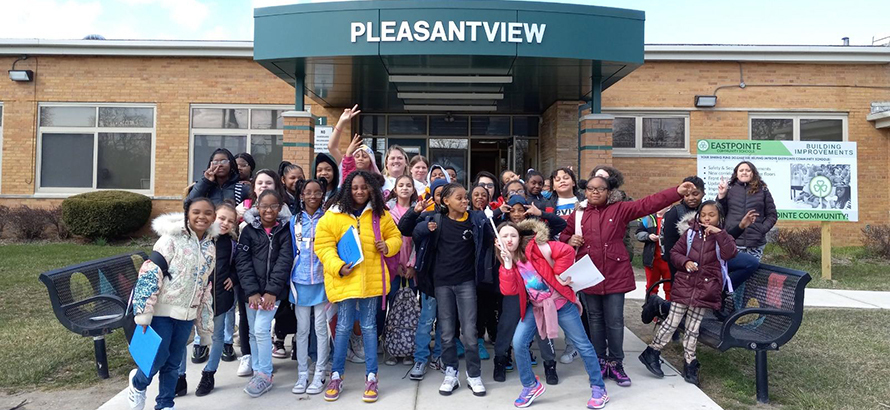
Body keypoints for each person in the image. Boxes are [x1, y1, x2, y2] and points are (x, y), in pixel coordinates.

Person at [560, 176, 696, 388]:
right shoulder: (578, 215)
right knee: (595, 319)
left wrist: (677, 191)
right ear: (585, 192)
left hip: (615, 273)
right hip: (589, 275)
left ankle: (616, 362)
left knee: (614, 321)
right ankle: (599, 361)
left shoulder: (620, 209)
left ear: (608, 192)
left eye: (600, 189)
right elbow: (563, 237)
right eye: (591, 189)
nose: (595, 192)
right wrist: (569, 240)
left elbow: (649, 203)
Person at [498, 220, 610, 409]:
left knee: (583, 345)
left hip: (562, 304)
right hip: (537, 307)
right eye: (504, 236)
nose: (509, 239)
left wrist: (559, 273)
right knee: (518, 342)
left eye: (513, 235)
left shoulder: (538, 247)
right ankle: (530, 386)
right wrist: (508, 264)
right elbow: (509, 291)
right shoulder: (507, 260)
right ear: (498, 241)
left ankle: (599, 388)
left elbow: (566, 251)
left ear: (520, 237)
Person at [315, 170, 402, 403]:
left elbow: (396, 236)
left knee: (369, 327)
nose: (360, 191)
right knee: (342, 326)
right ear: (347, 190)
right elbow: (323, 246)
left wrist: (388, 246)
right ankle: (336, 375)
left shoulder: (380, 215)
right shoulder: (333, 215)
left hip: (372, 281)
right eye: (355, 187)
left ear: (372, 188)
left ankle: (372, 377)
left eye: (365, 187)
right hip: (345, 279)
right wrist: (338, 266)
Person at [127, 198, 216, 410]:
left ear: (213, 216)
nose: (201, 217)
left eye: (207, 213)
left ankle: (165, 404)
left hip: (186, 314)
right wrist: (144, 312)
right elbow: (150, 273)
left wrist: (204, 325)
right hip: (161, 312)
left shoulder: (211, 247)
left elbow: (205, 287)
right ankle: (138, 384)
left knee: (174, 362)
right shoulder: (171, 239)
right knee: (157, 357)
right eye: (196, 212)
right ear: (187, 213)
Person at [639, 201, 738, 387]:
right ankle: (652, 351)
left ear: (720, 218)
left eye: (712, 215)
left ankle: (689, 362)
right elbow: (675, 253)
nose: (707, 218)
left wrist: (720, 234)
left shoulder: (723, 236)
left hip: (706, 289)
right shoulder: (691, 233)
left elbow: (730, 254)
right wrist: (685, 262)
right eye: (703, 215)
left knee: (693, 327)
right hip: (685, 285)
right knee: (672, 321)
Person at [412, 183, 493, 397]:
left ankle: (474, 375)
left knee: (469, 332)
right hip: (442, 284)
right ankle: (451, 372)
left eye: (466, 197)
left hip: (466, 283)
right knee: (446, 333)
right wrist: (424, 227)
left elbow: (488, 241)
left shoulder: (475, 220)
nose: (465, 201)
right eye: (460, 198)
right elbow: (413, 231)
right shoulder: (436, 221)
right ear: (446, 201)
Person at [493, 194, 565, 385]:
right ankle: (500, 359)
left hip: (536, 287)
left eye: (521, 209)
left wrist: (539, 214)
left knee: (542, 326)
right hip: (515, 287)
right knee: (507, 324)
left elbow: (558, 226)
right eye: (513, 209)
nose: (517, 214)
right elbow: (485, 223)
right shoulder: (503, 229)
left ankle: (550, 364)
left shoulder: (534, 229)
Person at [235, 190, 294, 398]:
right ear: (257, 208)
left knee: (261, 329)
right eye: (264, 206)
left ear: (280, 208)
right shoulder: (248, 230)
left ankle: (265, 374)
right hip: (251, 293)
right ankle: (258, 370)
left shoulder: (285, 230)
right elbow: (242, 262)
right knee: (252, 331)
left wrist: (271, 292)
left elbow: (284, 261)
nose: (268, 210)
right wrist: (252, 291)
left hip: (273, 293)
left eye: (273, 206)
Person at [289, 179, 331, 395]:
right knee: (302, 330)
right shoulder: (294, 220)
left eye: (317, 192)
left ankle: (320, 373)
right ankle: (302, 374)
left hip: (323, 283)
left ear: (323, 195)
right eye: (308, 192)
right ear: (301, 195)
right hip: (300, 283)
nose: (313, 196)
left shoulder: (329, 219)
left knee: (321, 330)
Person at [195, 201, 239, 397]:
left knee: (218, 336)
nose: (225, 223)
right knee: (180, 341)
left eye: (230, 221)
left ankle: (209, 373)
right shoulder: (197, 238)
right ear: (213, 216)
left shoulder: (230, 244)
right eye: (221, 218)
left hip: (219, 298)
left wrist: (233, 277)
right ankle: (179, 376)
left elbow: (238, 265)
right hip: (193, 299)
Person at [382, 175, 419, 366]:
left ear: (414, 189)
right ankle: (391, 348)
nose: (405, 188)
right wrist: (395, 264)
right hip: (392, 267)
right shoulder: (387, 210)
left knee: (409, 310)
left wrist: (412, 265)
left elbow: (419, 241)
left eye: (409, 185)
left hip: (412, 269)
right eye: (401, 185)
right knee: (392, 307)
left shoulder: (418, 210)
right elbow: (386, 238)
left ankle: (408, 348)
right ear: (395, 189)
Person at [717, 161, 778, 261]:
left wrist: (761, 229)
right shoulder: (730, 189)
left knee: (752, 272)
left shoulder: (763, 190)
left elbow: (772, 215)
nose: (744, 172)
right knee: (733, 272)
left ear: (753, 173)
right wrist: (721, 196)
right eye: (741, 170)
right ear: (736, 174)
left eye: (747, 170)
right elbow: (719, 213)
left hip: (755, 243)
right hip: (733, 241)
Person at [636, 207, 672, 299]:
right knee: (651, 287)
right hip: (652, 260)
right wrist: (648, 236)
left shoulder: (672, 218)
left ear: (669, 206)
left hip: (668, 260)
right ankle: (650, 307)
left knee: (670, 287)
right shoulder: (648, 219)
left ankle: (669, 309)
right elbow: (638, 234)